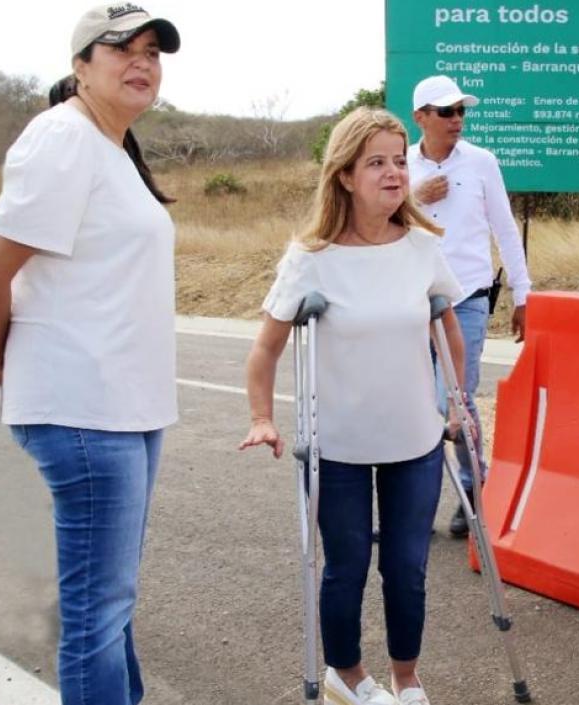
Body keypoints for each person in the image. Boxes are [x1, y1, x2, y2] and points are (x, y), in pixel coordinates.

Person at [0, 5, 180, 704]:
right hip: (85, 408)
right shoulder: (63, 140)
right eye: (121, 49)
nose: (142, 61)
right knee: (97, 613)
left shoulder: (108, 148)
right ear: (81, 67)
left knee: (113, 600)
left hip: (126, 405)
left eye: (153, 50)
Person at [240, 107, 467, 705]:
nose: (394, 173)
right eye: (377, 163)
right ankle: (348, 674)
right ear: (344, 174)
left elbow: (450, 329)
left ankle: (406, 676)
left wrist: (459, 405)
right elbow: (265, 350)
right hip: (337, 444)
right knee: (346, 566)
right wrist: (262, 417)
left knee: (408, 568)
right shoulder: (310, 256)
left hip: (414, 438)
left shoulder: (422, 248)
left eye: (399, 160)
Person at [408, 75, 534, 538]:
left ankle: (474, 492)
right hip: (411, 302)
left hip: (467, 300)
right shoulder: (401, 167)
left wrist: (524, 294)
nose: (457, 119)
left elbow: (505, 228)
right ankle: (419, 503)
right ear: (421, 116)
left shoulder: (481, 162)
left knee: (454, 400)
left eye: (461, 111)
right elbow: (373, 220)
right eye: (446, 112)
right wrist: (411, 198)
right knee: (418, 403)